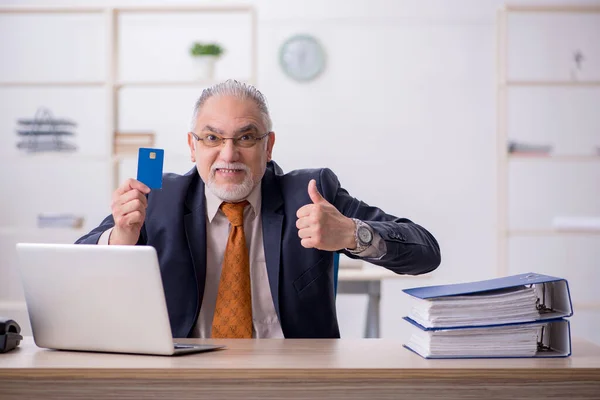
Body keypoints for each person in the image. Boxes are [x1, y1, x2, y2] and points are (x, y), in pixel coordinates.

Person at [76, 80, 441, 339]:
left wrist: (351, 233)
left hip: (294, 383)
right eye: (212, 138)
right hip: (183, 381)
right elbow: (74, 273)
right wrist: (122, 238)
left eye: (246, 137)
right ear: (192, 146)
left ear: (268, 147)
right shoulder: (159, 196)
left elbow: (426, 252)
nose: (229, 154)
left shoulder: (311, 192)